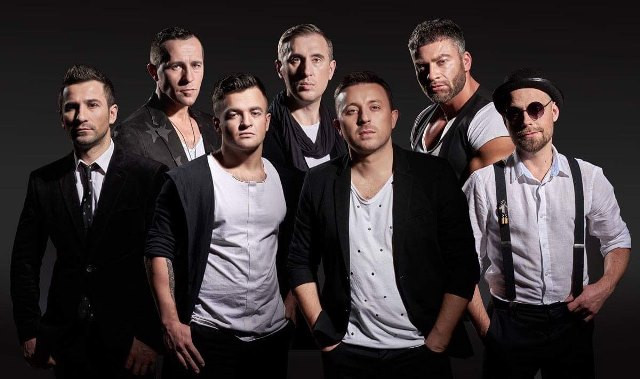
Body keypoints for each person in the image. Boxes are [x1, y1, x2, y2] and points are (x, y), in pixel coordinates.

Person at [288, 71, 479, 379]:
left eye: (374, 107)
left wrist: (440, 338)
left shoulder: (434, 176)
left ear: (393, 118)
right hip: (346, 351)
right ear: (337, 127)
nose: (364, 118)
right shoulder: (319, 181)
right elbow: (299, 262)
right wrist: (322, 331)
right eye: (351, 111)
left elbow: (464, 264)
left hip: (421, 349)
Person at [463, 68, 631, 378]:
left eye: (535, 109)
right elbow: (460, 264)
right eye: (514, 112)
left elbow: (617, 240)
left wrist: (604, 288)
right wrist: (487, 331)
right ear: (505, 121)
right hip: (509, 320)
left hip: (572, 320)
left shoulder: (589, 177)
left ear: (553, 112)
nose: (525, 120)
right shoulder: (482, 184)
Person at [10, 64, 168, 378]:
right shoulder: (43, 181)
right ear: (62, 118)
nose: (81, 115)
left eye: (92, 105)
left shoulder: (149, 176)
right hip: (66, 340)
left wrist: (151, 336)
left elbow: (166, 261)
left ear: (112, 113)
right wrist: (29, 329)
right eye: (71, 107)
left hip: (131, 341)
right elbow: (24, 261)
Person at [145, 73, 292, 379]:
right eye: (234, 114)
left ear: (267, 121)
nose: (246, 122)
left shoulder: (283, 178)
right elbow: (158, 249)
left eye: (254, 113)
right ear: (217, 124)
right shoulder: (188, 180)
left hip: (271, 337)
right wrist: (170, 321)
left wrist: (291, 304)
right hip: (207, 335)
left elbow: (298, 247)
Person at [263, 23, 347, 348]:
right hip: (274, 290)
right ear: (280, 68)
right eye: (295, 59)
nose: (306, 71)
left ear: (331, 69)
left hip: (339, 289)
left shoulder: (344, 133)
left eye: (316, 59)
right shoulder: (261, 133)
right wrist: (291, 288)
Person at [408, 18, 513, 183]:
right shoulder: (423, 118)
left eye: (442, 62)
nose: (432, 75)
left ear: (466, 62)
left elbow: (487, 195)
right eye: (422, 66)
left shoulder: (492, 119)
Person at [113, 26, 218, 168]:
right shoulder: (130, 134)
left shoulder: (213, 126)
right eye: (176, 66)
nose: (189, 78)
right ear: (153, 72)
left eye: (196, 65)